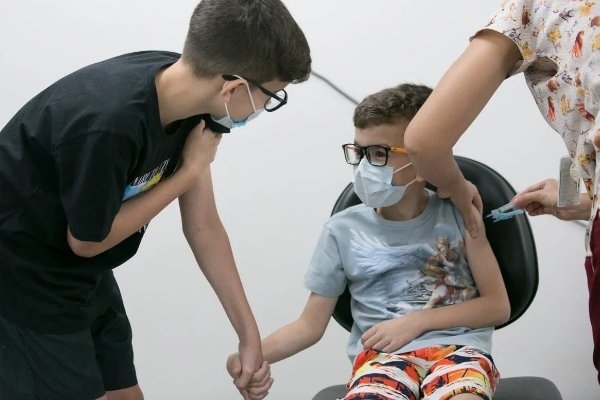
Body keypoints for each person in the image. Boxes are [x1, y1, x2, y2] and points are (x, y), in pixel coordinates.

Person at [0, 1, 311, 399]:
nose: (265, 108)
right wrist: (186, 174)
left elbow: (203, 225)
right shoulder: (108, 125)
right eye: (272, 96)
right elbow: (87, 240)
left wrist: (249, 336)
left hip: (82, 272)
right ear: (232, 87)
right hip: (22, 277)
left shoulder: (193, 98)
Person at [227, 84, 510, 400]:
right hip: (381, 362)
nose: (363, 167)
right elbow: (308, 326)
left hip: (459, 352)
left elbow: (497, 306)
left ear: (425, 159)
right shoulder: (341, 231)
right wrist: (249, 356)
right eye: (359, 153)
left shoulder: (459, 214)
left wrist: (418, 322)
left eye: (379, 154)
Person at [402, 0, 600, 384]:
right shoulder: (343, 231)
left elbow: (424, 140)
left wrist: (459, 192)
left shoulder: (538, 7)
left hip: (460, 366)